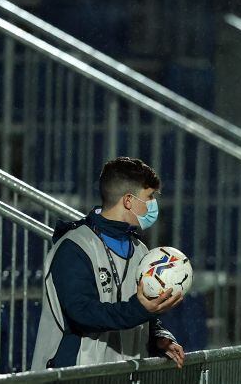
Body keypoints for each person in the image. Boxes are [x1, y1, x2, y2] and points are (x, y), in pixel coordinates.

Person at [31, 157, 186, 370]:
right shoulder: (75, 247)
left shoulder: (140, 249)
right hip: (76, 375)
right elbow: (83, 314)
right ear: (129, 201)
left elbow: (137, 310)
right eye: (149, 197)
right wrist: (140, 309)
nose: (153, 205)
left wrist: (159, 337)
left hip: (122, 374)